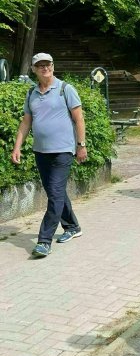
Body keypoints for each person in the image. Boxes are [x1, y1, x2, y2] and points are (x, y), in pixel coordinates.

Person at [11, 53, 87, 258]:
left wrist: (81, 145)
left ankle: (44, 241)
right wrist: (17, 147)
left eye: (48, 64)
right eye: (40, 65)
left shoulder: (65, 89)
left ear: (53, 66)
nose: (45, 68)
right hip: (41, 151)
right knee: (56, 192)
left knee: (54, 194)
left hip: (63, 150)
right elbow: (26, 122)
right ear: (34, 69)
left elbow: (79, 119)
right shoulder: (32, 93)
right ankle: (72, 226)